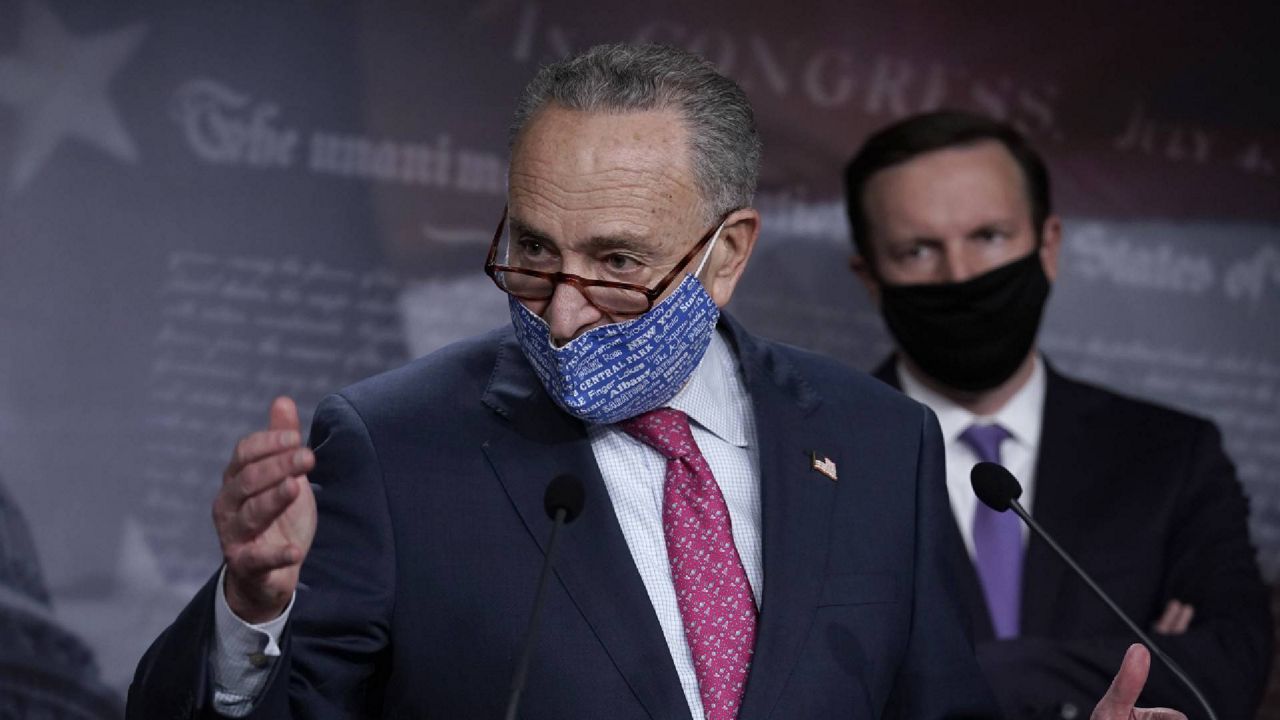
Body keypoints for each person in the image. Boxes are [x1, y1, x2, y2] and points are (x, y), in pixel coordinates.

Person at [129, 45, 1181, 719]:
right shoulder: (392, 443)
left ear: (727, 254)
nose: (563, 306)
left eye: (619, 263)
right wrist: (249, 610)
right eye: (533, 250)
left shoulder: (875, 439)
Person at [843, 110, 1271, 719]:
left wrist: (955, 676)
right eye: (917, 250)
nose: (960, 276)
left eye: (989, 236)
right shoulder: (816, 458)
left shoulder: (1174, 454)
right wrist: (1130, 656)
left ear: (1047, 247)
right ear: (869, 277)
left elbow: (1228, 672)